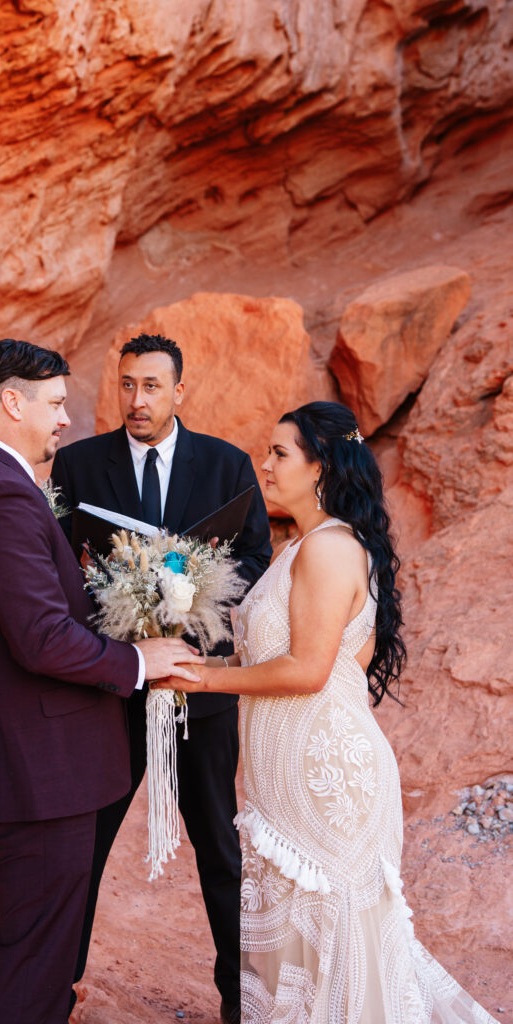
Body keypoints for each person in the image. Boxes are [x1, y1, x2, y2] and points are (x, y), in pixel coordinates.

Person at [156, 401, 499, 1023]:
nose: (264, 464)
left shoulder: (329, 549)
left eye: (280, 453)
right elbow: (325, 662)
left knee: (338, 947)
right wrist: (180, 666)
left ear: (321, 468)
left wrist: (203, 681)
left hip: (326, 780)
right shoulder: (301, 547)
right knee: (307, 954)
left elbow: (310, 671)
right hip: (292, 775)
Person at [0, 338, 203, 1024]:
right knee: (34, 955)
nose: (63, 420)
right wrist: (143, 662)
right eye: (54, 404)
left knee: (36, 950)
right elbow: (41, 638)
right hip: (37, 770)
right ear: (12, 401)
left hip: (40, 766)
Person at [52, 333, 272, 1024]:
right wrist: (124, 609)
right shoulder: (80, 464)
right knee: (81, 847)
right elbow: (57, 567)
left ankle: (240, 1002)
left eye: (150, 385)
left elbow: (256, 563)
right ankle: (57, 991)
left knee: (218, 848)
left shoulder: (227, 464)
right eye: (126, 385)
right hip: (110, 691)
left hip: (198, 695)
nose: (136, 400)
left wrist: (194, 603)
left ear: (180, 391)